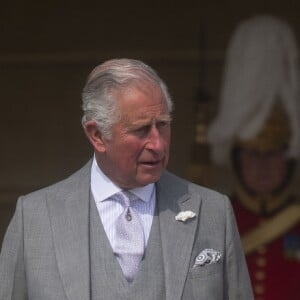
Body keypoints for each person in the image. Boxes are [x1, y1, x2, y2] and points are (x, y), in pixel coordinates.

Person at [0, 58, 253, 299]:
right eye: (141, 129)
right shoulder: (34, 217)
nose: (157, 144)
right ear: (97, 135)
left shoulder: (213, 212)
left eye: (163, 125)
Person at [208, 15, 300, 299]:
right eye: (252, 155)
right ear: (237, 159)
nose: (262, 166)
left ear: (288, 160)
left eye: (272, 154)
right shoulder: (214, 224)